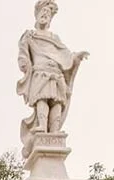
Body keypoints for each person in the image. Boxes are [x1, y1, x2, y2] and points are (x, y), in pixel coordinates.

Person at [16, 0, 88, 157]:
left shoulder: (54, 38)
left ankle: (54, 131)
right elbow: (23, 55)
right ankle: (41, 126)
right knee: (42, 99)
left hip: (56, 74)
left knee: (56, 101)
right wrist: (24, 63)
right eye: (42, 12)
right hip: (40, 73)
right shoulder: (30, 36)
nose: (44, 15)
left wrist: (76, 56)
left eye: (47, 14)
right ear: (37, 14)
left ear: (50, 19)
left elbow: (65, 55)